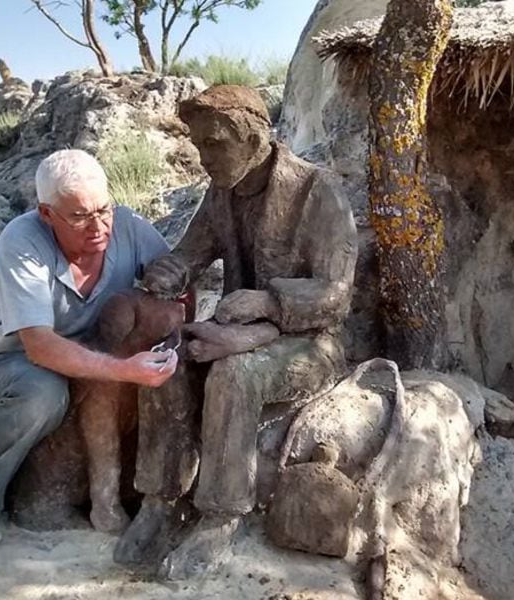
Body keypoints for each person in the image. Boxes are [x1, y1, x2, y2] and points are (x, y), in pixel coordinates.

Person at [115, 85, 358, 579]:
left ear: (253, 137)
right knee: (167, 362)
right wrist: (169, 271)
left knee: (234, 376)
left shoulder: (318, 190)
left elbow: (336, 293)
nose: (204, 157)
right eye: (199, 144)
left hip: (308, 342)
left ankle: (220, 516)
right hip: (235, 331)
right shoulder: (221, 192)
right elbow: (191, 250)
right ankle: (160, 501)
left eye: (215, 143)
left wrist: (270, 302)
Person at [0, 149, 178, 549]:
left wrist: (175, 298)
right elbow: (39, 347)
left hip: (84, 354)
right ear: (46, 214)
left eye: (104, 209)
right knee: (43, 394)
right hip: (2, 362)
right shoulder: (21, 242)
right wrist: (126, 370)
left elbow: (177, 287)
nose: (98, 226)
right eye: (79, 216)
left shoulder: (128, 227)